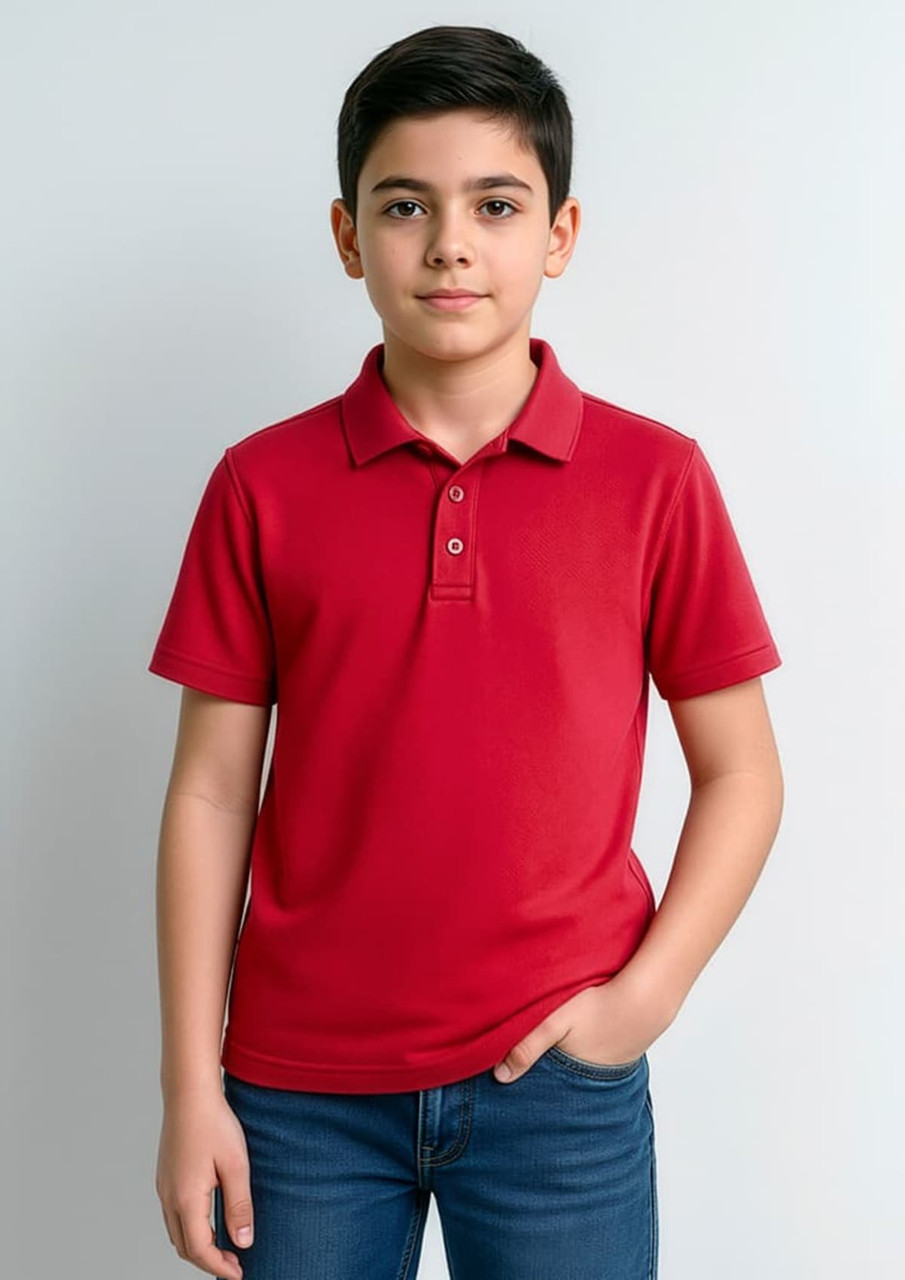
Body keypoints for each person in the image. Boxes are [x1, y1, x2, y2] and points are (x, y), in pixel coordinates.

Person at [149, 24, 784, 1280]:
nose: (449, 242)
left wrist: (638, 1004)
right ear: (347, 236)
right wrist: (189, 1083)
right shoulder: (260, 485)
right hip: (297, 1094)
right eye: (406, 205)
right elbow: (213, 788)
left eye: (494, 203)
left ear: (556, 233)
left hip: (557, 1086)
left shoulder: (654, 480)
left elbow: (743, 772)